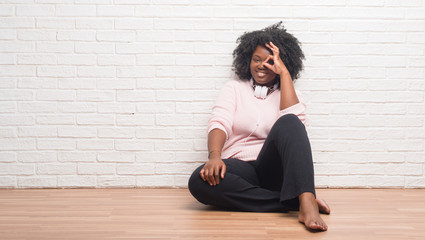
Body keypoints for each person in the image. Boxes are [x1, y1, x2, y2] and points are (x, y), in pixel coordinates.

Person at [188, 22, 330, 231]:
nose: (261, 65)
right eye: (256, 59)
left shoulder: (290, 94)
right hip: (241, 168)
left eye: (269, 61)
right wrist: (214, 156)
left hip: (274, 169)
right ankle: (292, 202)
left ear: (282, 63)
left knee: (290, 120)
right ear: (248, 60)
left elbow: (296, 131)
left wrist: (284, 75)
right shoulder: (234, 89)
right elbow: (219, 121)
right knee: (198, 181)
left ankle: (307, 200)